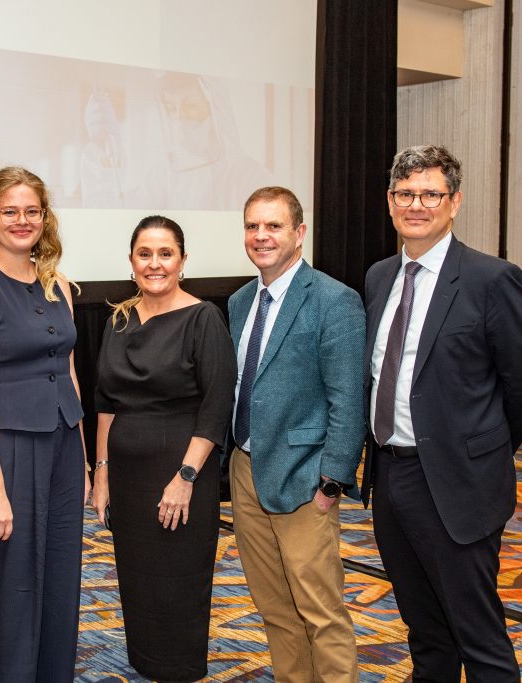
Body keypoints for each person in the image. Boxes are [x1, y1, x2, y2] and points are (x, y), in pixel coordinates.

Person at [361, 145, 522, 682]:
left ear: (455, 202)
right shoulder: (379, 277)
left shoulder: (492, 279)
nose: (416, 204)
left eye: (430, 194)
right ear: (390, 202)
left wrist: (476, 450)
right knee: (423, 630)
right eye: (404, 194)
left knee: (479, 636)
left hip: (457, 484)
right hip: (391, 478)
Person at [0, 166, 88, 682]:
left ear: (44, 218)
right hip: (2, 452)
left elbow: (69, 372)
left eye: (32, 211)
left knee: (58, 580)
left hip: (63, 447)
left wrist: (85, 460)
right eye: (10, 211)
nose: (22, 221)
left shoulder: (58, 285)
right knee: (9, 586)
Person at [227, 186, 366, 683]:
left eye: (273, 226)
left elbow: (349, 398)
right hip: (246, 469)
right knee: (275, 611)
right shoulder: (241, 301)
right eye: (252, 226)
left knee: (321, 614)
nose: (261, 236)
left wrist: (333, 481)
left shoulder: (334, 300)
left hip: (307, 478)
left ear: (299, 233)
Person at [92, 216, 237, 682]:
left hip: (181, 474)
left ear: (183, 261)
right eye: (144, 254)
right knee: (138, 581)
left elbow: (217, 409)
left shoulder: (203, 318)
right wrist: (102, 473)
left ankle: (179, 670)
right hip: (129, 480)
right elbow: (105, 405)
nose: (155, 264)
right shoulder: (117, 319)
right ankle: (145, 664)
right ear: (131, 261)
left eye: (165, 254)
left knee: (177, 583)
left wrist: (187, 478)